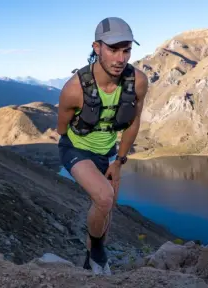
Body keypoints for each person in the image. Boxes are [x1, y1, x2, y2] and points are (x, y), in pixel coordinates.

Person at [56, 16, 148, 275]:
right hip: (75, 149)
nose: (121, 58)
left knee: (106, 212)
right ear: (97, 48)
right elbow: (62, 129)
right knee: (105, 197)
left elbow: (133, 122)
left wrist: (118, 161)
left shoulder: (137, 82)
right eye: (113, 49)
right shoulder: (74, 89)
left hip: (107, 154)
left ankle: (90, 262)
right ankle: (97, 252)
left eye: (126, 50)